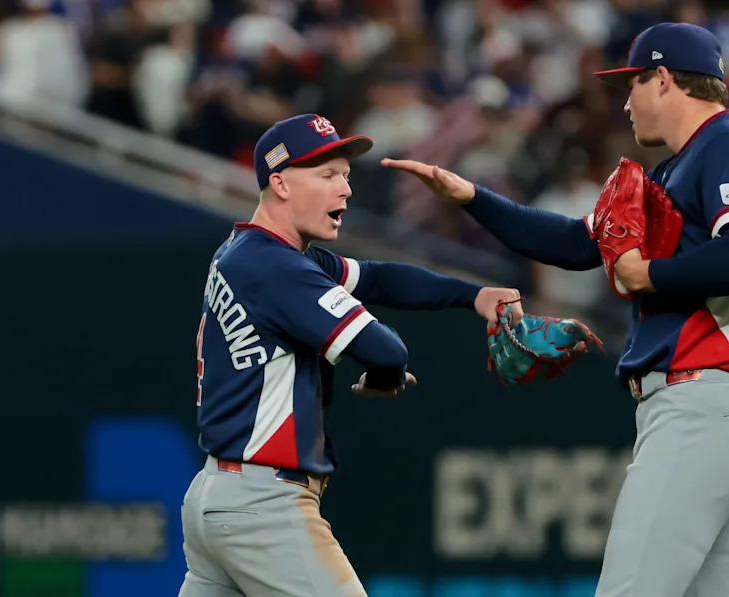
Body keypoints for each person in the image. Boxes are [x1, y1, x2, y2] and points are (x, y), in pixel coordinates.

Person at [384, 22, 729, 597]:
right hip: (714, 408)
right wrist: (472, 198)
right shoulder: (673, 170)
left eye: (633, 84)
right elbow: (577, 244)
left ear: (664, 78)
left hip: (704, 402)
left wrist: (648, 274)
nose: (625, 102)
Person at [178, 113, 523, 597]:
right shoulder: (275, 266)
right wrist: (385, 376)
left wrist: (474, 295)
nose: (345, 189)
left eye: (344, 174)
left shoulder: (249, 251)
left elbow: (379, 278)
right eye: (327, 175)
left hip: (218, 496)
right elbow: (385, 349)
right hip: (262, 504)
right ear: (280, 184)